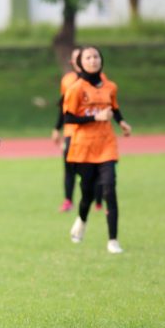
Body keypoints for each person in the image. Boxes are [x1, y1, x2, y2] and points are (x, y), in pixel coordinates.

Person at [63, 46, 132, 254]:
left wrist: (122, 122)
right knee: (88, 194)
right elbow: (68, 117)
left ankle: (113, 240)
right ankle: (82, 219)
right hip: (84, 147)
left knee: (109, 188)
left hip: (106, 144)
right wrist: (95, 117)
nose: (93, 60)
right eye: (88, 57)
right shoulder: (76, 89)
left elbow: (114, 108)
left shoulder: (110, 86)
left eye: (96, 57)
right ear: (81, 63)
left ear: (101, 60)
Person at [52, 48, 104, 213]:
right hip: (71, 132)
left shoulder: (100, 79)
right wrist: (57, 128)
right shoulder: (68, 80)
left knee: (95, 167)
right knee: (69, 167)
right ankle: (68, 200)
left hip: (93, 133)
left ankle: (98, 200)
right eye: (74, 59)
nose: (76, 62)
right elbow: (64, 108)